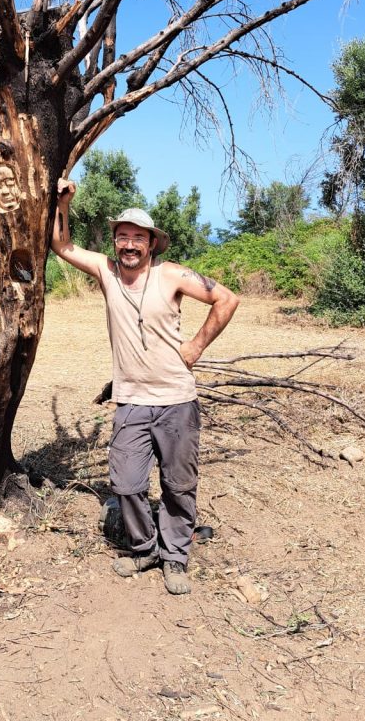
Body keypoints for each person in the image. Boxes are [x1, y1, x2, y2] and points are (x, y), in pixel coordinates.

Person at [51, 179, 239, 594]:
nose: (130, 245)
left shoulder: (170, 275)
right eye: (123, 237)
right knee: (127, 484)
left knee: (178, 484)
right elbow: (61, 246)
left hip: (177, 401)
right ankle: (145, 549)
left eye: (138, 238)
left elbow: (226, 299)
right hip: (131, 402)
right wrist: (62, 204)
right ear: (115, 242)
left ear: (152, 243)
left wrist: (196, 346)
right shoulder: (107, 272)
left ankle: (175, 557)